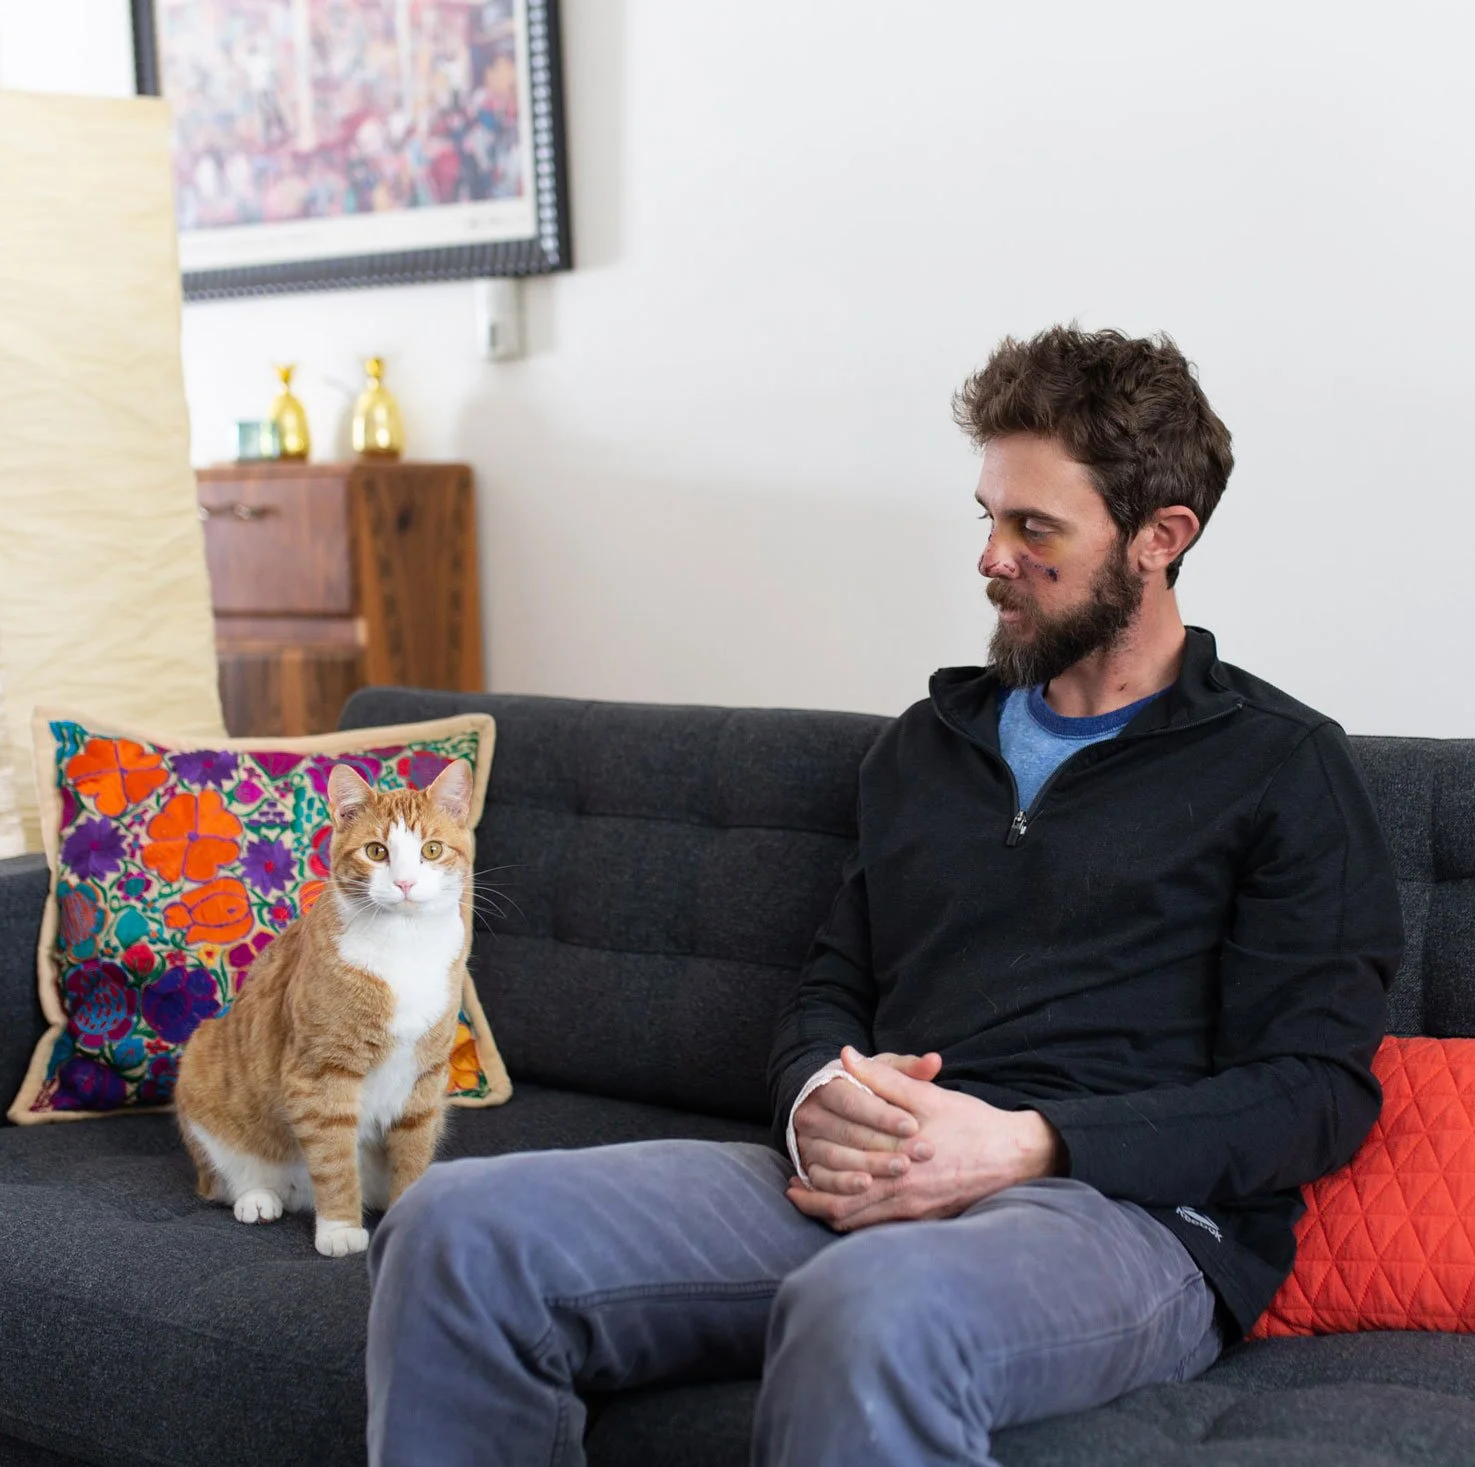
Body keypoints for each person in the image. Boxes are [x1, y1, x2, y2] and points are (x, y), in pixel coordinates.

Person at [365, 326, 1405, 1466]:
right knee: (455, 1231)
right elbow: (832, 987)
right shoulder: (928, 747)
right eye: (988, 517)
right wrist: (815, 1097)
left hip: (1115, 1216)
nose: (991, 556)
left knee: (873, 1307)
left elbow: (1312, 1095)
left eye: (1034, 528)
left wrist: (1032, 1143)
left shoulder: (1279, 765)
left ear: (1160, 539)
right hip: (865, 1176)